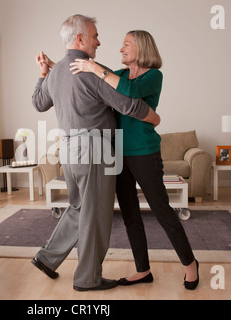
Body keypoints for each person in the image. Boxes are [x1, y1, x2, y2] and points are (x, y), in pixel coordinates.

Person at [31, 15, 161, 292]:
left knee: (79, 208)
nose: (99, 41)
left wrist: (44, 71)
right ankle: (87, 279)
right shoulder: (91, 69)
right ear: (80, 38)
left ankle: (47, 258)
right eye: (94, 36)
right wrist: (152, 116)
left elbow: (39, 102)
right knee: (97, 215)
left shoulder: (57, 71)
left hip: (67, 148)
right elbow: (127, 104)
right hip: (95, 148)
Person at [69, 30, 199, 290]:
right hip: (118, 153)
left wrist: (96, 68)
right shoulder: (120, 74)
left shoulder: (153, 76)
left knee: (162, 212)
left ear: (141, 47)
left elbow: (131, 90)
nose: (120, 49)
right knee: (129, 214)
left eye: (126, 44)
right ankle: (143, 270)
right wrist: (58, 68)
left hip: (144, 152)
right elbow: (100, 76)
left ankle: (191, 265)